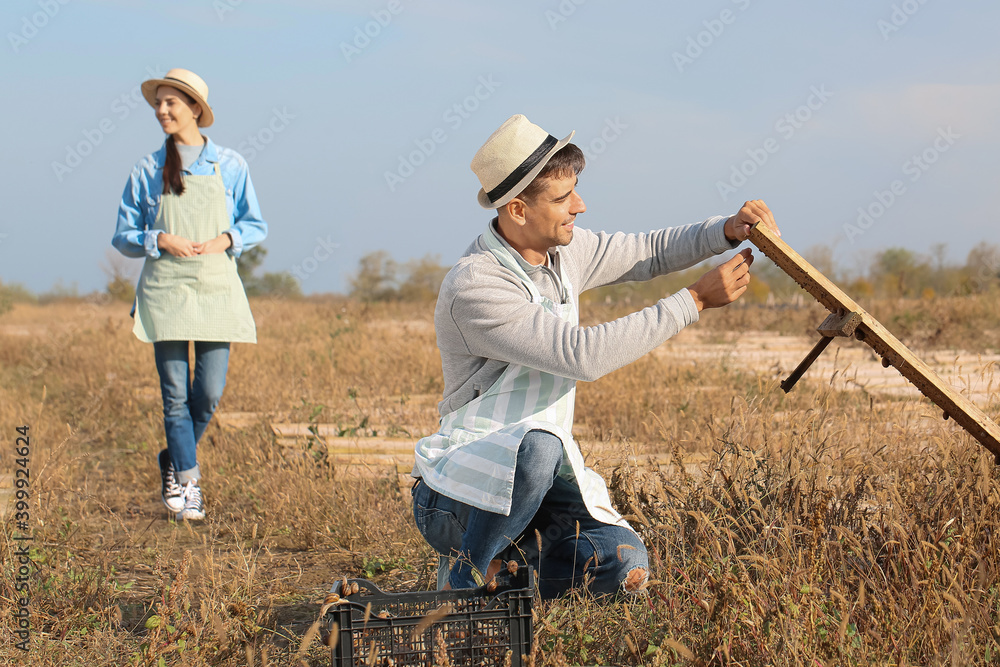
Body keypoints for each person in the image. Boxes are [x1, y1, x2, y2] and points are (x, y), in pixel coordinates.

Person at [411, 114, 779, 598]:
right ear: (518, 209)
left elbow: (648, 251)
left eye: (575, 191)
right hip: (457, 491)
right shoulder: (476, 284)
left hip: (539, 488)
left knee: (623, 564)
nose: (580, 207)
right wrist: (695, 301)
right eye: (563, 198)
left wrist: (726, 231)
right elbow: (582, 355)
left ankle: (508, 579)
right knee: (538, 446)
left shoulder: (566, 253)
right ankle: (464, 583)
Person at [112, 68, 267, 521]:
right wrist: (158, 239)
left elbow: (255, 224)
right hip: (165, 293)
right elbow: (123, 234)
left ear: (194, 108)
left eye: (170, 103)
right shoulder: (146, 169)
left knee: (210, 391)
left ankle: (172, 459)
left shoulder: (231, 165)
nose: (161, 111)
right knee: (175, 396)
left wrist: (225, 239)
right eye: (158, 103)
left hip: (217, 290)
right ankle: (189, 482)